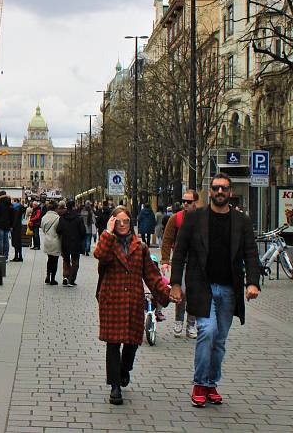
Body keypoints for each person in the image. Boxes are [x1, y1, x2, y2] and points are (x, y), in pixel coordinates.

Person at [170, 173, 260, 407]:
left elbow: (251, 253)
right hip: (202, 286)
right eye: (216, 188)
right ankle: (199, 383)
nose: (220, 192)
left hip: (229, 288)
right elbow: (179, 252)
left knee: (219, 340)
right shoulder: (194, 219)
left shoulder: (242, 221)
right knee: (207, 331)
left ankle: (211, 384)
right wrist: (176, 284)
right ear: (210, 192)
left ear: (230, 193)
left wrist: (252, 282)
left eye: (224, 189)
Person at [95, 205, 173, 405]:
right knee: (113, 344)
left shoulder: (140, 247)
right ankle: (115, 387)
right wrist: (107, 232)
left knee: (131, 343)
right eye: (118, 221)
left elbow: (152, 275)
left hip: (132, 301)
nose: (122, 224)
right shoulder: (108, 243)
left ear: (131, 223)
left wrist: (166, 293)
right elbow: (100, 255)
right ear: (112, 222)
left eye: (126, 221)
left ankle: (125, 368)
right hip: (112, 300)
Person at [161, 190, 199, 339]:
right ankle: (178, 321)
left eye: (189, 202)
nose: (185, 204)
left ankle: (191, 324)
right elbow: (167, 240)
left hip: (197, 263)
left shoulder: (202, 219)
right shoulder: (175, 219)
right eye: (184, 201)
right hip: (180, 261)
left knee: (194, 294)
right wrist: (165, 261)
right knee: (181, 292)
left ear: (195, 202)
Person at [56, 199, 85, 287]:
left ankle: (66, 276)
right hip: (76, 243)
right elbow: (83, 231)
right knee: (75, 261)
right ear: (73, 206)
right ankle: (71, 280)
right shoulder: (79, 218)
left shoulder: (62, 217)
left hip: (65, 242)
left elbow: (58, 230)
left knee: (66, 260)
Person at [40, 200, 61, 285]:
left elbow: (43, 228)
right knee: (55, 260)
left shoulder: (44, 217)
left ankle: (47, 275)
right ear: (56, 208)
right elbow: (60, 230)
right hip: (56, 241)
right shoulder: (58, 218)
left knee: (49, 259)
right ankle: (53, 278)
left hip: (47, 240)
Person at [0, 191, 13, 257]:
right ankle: (6, 255)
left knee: (0, 240)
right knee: (6, 240)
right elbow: (11, 215)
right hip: (7, 224)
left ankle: (0, 255)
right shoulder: (9, 203)